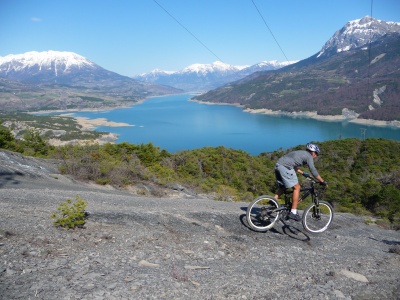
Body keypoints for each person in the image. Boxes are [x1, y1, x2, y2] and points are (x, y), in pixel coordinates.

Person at [274, 143, 327, 221]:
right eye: (316, 153)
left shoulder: (301, 152)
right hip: (285, 168)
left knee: (283, 186)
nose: (316, 156)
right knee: (297, 188)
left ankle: (273, 202)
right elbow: (313, 170)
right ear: (313, 152)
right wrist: (322, 181)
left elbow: (292, 164)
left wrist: (302, 173)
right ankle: (293, 212)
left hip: (278, 166)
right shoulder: (309, 156)